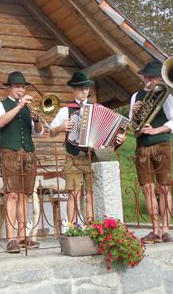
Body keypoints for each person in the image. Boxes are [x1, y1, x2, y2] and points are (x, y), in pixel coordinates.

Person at [49, 71, 125, 225]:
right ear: (73, 90)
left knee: (90, 194)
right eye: (81, 88)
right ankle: (72, 228)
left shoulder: (97, 108)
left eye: (86, 88)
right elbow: (51, 131)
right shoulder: (66, 110)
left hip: (92, 157)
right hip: (74, 157)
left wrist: (119, 138)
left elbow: (112, 131)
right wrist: (61, 127)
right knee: (74, 194)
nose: (84, 91)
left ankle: (91, 226)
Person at [0, 71, 43, 253]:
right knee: (12, 194)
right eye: (17, 86)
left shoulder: (29, 107)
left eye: (23, 87)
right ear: (9, 88)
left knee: (24, 195)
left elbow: (38, 132)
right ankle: (11, 238)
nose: (21, 89)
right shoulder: (0, 104)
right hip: (10, 152)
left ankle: (23, 237)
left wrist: (36, 119)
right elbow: (0, 122)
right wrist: (20, 106)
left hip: (28, 152)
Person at [130, 60, 173, 243]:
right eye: (146, 77)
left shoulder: (167, 96)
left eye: (151, 77)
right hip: (142, 146)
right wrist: (135, 112)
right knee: (147, 189)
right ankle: (154, 230)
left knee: (164, 188)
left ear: (160, 78)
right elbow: (133, 125)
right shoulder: (136, 96)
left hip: (161, 144)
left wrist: (155, 130)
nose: (147, 80)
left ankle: (165, 230)